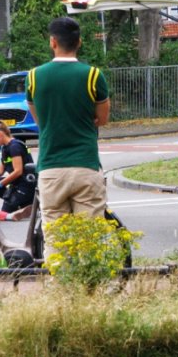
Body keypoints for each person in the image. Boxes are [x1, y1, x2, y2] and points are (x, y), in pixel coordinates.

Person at [27, 17, 109, 259]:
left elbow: (40, 119)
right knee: (90, 237)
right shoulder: (93, 75)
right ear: (79, 42)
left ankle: (60, 289)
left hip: (51, 167)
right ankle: (90, 291)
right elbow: (102, 119)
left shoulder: (34, 76)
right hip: (85, 164)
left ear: (53, 42)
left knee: (55, 239)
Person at [0, 121, 36, 218]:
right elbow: (0, 170)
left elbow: (18, 171)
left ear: (0, 133)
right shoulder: (4, 147)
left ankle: (24, 201)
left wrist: (1, 183)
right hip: (16, 184)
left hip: (26, 185)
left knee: (5, 213)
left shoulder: (14, 146)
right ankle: (17, 201)